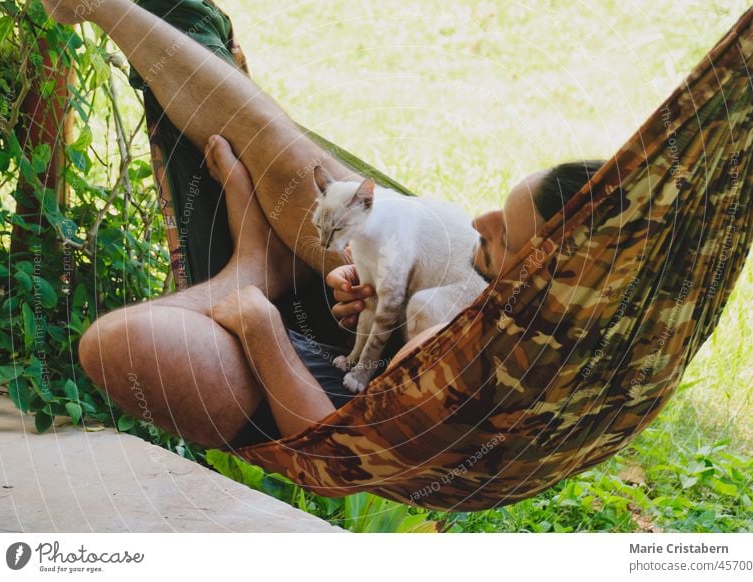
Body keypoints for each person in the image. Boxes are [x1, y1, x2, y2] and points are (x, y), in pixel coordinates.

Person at [41, 0, 602, 449]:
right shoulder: (594, 294)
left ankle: (252, 270)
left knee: (113, 344)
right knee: (277, 152)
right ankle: (139, 12)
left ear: (534, 278)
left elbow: (345, 452)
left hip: (309, 392)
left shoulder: (460, 361)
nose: (482, 218)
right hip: (416, 302)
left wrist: (264, 333)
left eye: (502, 234)